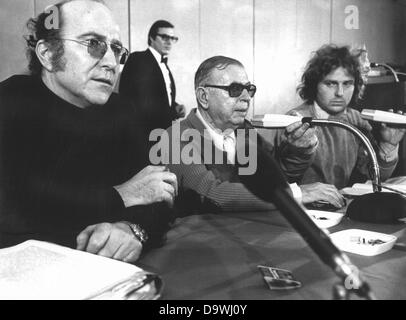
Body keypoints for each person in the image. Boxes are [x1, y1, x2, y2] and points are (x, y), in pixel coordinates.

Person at [0, 0, 178, 263]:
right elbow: (15, 208)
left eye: (117, 50)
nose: (111, 63)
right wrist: (121, 196)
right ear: (47, 53)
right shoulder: (10, 102)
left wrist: (132, 230)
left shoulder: (122, 111)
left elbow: (158, 193)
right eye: (93, 44)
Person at [161, 55, 321, 215]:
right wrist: (295, 194)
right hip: (198, 237)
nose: (246, 98)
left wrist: (298, 149)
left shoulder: (245, 130)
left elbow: (275, 177)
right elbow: (210, 194)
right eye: (235, 89)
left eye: (249, 90)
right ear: (204, 97)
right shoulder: (175, 137)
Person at [278, 44, 405, 202]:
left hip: (337, 208)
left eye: (347, 84)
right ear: (314, 85)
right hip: (302, 211)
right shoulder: (297, 120)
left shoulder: (355, 119)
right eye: (330, 83)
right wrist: (299, 152)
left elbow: (372, 176)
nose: (339, 93)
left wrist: (388, 147)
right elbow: (283, 179)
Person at [119, 20, 185, 135]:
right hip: (143, 135)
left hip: (162, 134)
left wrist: (175, 107)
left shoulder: (164, 65)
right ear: (151, 38)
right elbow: (138, 101)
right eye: (164, 37)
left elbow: (160, 98)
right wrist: (171, 113)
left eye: (172, 38)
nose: (169, 42)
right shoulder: (138, 59)